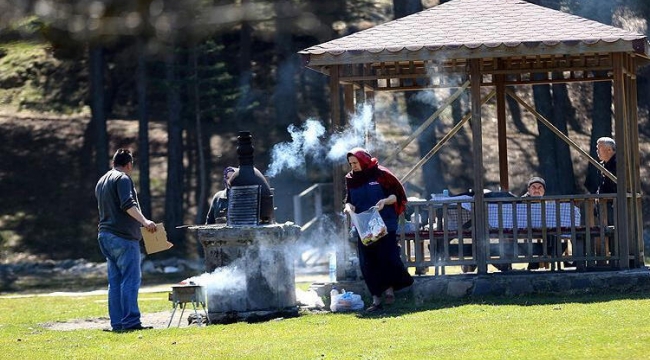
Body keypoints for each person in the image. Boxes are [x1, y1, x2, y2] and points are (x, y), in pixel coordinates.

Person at [343, 147, 413, 312]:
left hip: (384, 223)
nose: (353, 166)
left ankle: (391, 289)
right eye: (351, 163)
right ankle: (376, 300)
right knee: (368, 263)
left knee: (388, 258)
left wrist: (384, 202)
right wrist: (348, 207)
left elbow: (396, 195)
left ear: (364, 160)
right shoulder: (350, 179)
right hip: (364, 225)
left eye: (356, 162)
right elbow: (348, 200)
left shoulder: (380, 174)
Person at [95, 148, 157, 332]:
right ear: (129, 164)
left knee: (115, 282)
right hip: (122, 237)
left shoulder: (102, 180)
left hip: (105, 235)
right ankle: (131, 322)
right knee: (131, 280)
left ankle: (118, 323)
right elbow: (127, 204)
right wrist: (145, 221)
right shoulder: (122, 179)